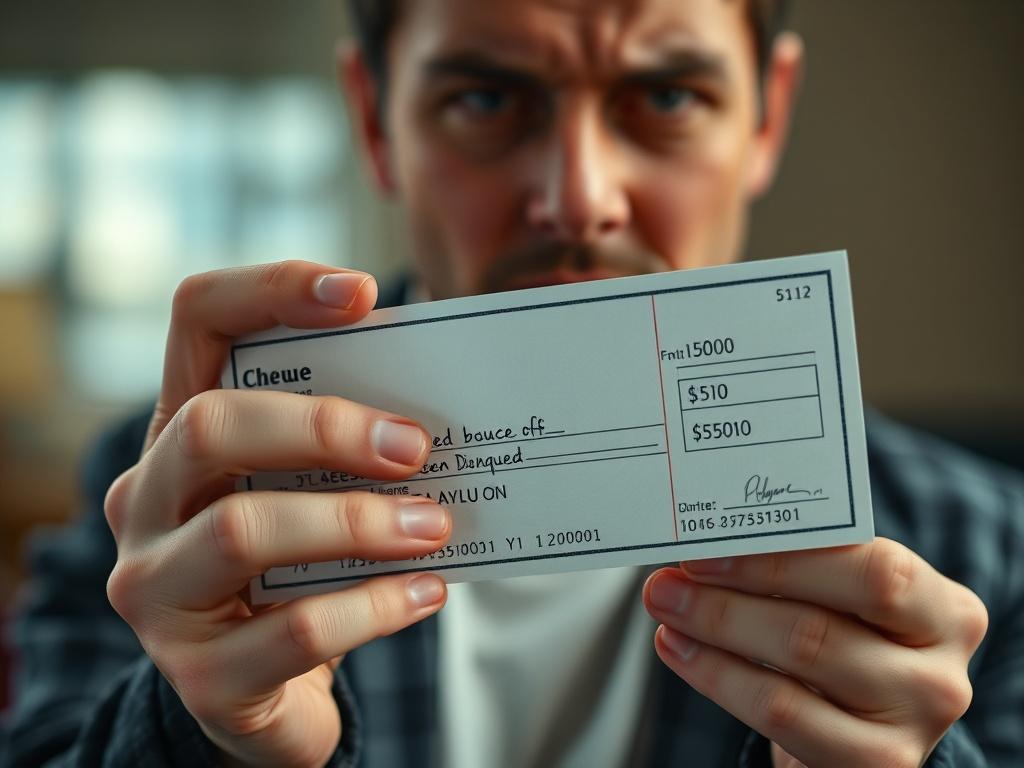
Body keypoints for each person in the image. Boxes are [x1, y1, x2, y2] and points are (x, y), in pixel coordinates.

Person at [3, 1, 1022, 766]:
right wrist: (207, 738)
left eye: (668, 97)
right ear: (374, 120)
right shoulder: (178, 503)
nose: (578, 198)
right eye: (485, 100)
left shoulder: (989, 550)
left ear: (767, 117)